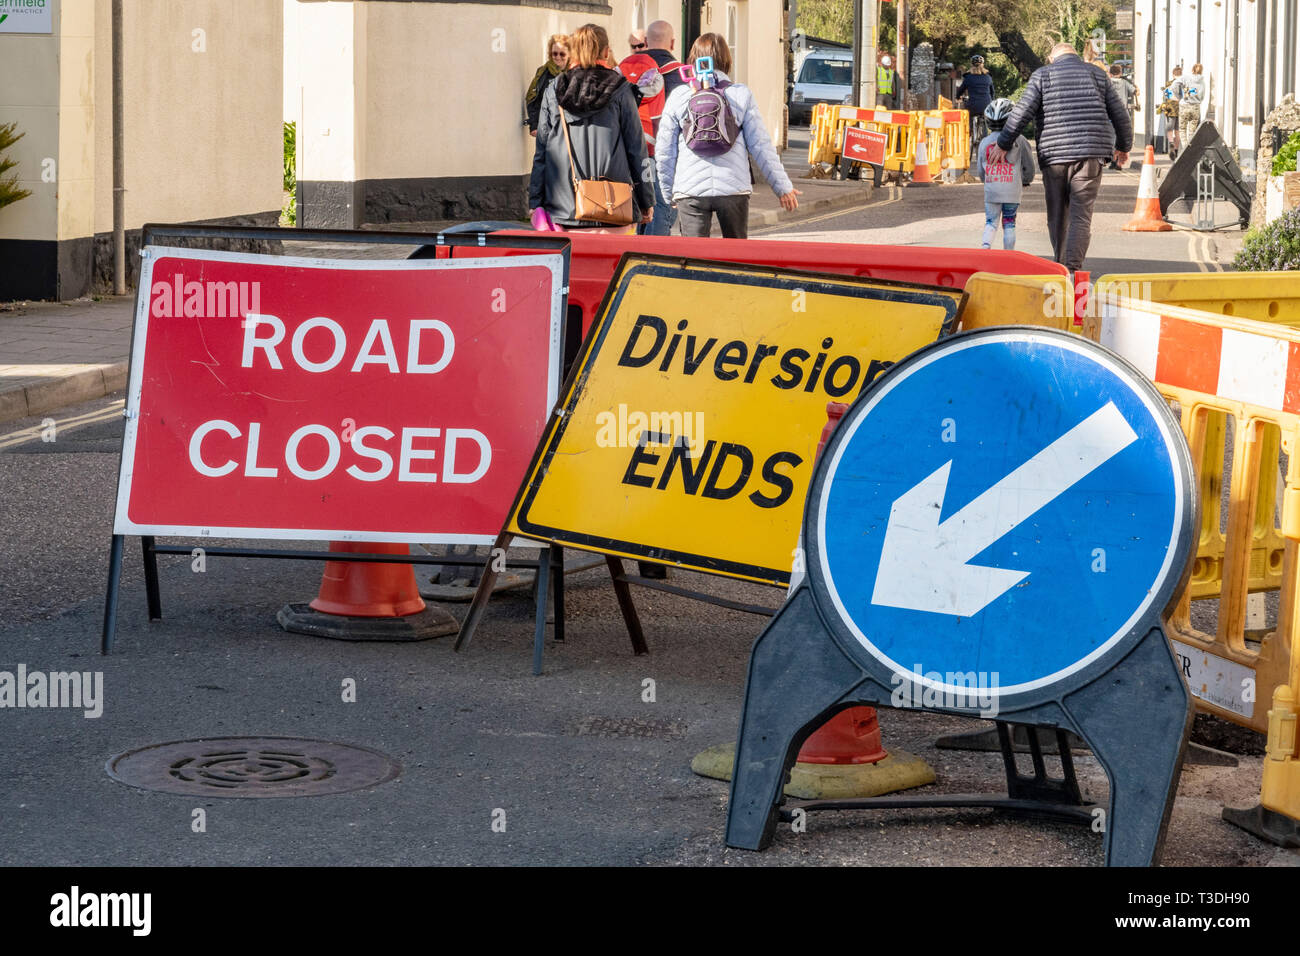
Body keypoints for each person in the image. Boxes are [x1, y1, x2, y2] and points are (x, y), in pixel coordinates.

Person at [986, 41, 1131, 272]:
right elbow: (1120, 113)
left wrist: (1003, 143)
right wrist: (1123, 147)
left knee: (1057, 212)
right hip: (1090, 153)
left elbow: (1022, 111)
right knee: (1081, 214)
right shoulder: (1097, 74)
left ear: (1052, 58)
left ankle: (1061, 263)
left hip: (1054, 155)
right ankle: (1073, 268)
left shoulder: (1043, 75)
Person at [655, 33, 800, 238]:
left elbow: (664, 151)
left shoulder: (680, 96)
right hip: (733, 189)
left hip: (690, 191)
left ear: (693, 60)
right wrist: (782, 187)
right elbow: (761, 146)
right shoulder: (740, 94)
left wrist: (668, 192)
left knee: (693, 259)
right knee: (735, 256)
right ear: (726, 59)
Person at [529, 24, 653, 232]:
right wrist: (645, 200)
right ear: (606, 52)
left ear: (573, 51)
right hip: (615, 204)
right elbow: (636, 148)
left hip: (564, 207)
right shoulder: (620, 89)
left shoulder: (554, 90)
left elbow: (542, 149)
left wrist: (536, 201)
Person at [976, 98, 1035, 250]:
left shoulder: (984, 142)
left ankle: (985, 248)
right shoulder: (1020, 140)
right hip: (1012, 191)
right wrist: (1027, 179)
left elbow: (980, 171)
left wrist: (986, 180)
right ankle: (1008, 254)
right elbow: (1028, 165)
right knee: (1009, 223)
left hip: (992, 191)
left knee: (991, 222)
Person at [525, 35, 569, 136]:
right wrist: (534, 125)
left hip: (570, 130)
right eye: (555, 53)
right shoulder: (543, 73)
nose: (558, 57)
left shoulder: (575, 73)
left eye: (562, 54)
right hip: (548, 129)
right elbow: (533, 101)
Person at [956, 56, 995, 146]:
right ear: (983, 65)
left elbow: (960, 90)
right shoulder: (988, 77)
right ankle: (986, 138)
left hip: (973, 105)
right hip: (986, 105)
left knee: (968, 114)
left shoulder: (968, 77)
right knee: (985, 118)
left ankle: (969, 133)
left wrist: (958, 96)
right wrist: (991, 101)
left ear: (971, 65)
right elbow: (992, 92)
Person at [1107, 64, 1139, 169]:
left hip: (1109, 113)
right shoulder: (1125, 82)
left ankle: (1113, 160)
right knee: (1122, 138)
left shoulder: (1107, 82)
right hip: (1123, 113)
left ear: (1110, 73)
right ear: (1120, 73)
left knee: (1111, 137)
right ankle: (1119, 163)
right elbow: (1136, 92)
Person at [1161, 66, 1185, 159]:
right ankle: (1175, 149)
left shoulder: (1169, 84)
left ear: (1173, 74)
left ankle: (1171, 142)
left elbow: (1166, 95)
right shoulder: (1183, 84)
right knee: (1178, 131)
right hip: (1180, 109)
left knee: (1169, 128)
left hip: (1170, 109)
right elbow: (1188, 94)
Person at [1180, 63, 1205, 148]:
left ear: (1192, 69)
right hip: (1196, 107)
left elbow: (1183, 91)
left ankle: (1184, 147)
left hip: (1185, 106)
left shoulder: (1187, 79)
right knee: (1192, 130)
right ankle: (1189, 149)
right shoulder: (1202, 82)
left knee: (1182, 129)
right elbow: (1202, 96)